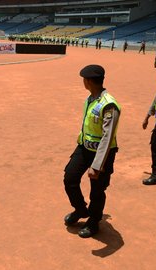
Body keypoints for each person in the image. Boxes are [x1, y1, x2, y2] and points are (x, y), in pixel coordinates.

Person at [63, 65, 121, 238]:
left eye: (84, 79)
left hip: (102, 154)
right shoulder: (90, 98)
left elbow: (107, 137)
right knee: (70, 178)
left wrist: (97, 165)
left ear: (88, 81)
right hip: (84, 148)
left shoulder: (109, 104)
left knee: (97, 190)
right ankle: (81, 210)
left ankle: (94, 221)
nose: (83, 82)